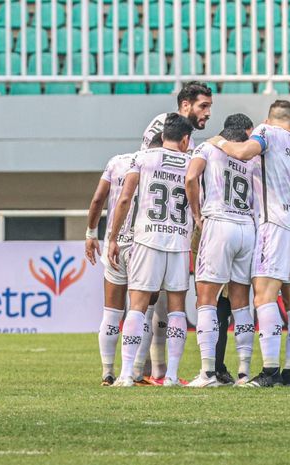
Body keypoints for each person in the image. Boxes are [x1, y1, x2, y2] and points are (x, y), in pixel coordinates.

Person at [207, 100, 290, 387]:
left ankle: (269, 372)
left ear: (269, 119)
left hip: (276, 224)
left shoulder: (267, 132)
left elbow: (242, 152)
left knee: (264, 297)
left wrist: (218, 141)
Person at [108, 114, 194, 387]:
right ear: (185, 139)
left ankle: (126, 374)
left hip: (148, 239)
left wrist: (113, 236)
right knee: (177, 309)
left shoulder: (143, 158)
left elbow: (124, 198)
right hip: (179, 241)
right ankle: (170, 376)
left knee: (138, 305)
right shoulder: (192, 162)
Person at [136, 81, 213, 385]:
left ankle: (157, 371)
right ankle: (139, 370)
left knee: (164, 303)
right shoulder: (164, 127)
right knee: (149, 297)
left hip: (174, 226)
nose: (207, 113)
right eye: (203, 106)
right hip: (155, 226)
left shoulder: (189, 139)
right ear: (185, 105)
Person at [185, 114, 257, 387]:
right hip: (246, 227)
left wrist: (196, 213)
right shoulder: (251, 158)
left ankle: (207, 373)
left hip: (218, 222)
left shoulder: (208, 147)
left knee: (206, 299)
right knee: (241, 303)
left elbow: (191, 177)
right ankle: (243, 374)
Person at [84, 152, 138, 386]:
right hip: (143, 245)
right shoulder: (154, 161)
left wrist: (90, 233)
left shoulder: (117, 162)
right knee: (140, 311)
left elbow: (97, 199)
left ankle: (107, 370)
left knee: (111, 313)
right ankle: (135, 371)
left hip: (114, 243)